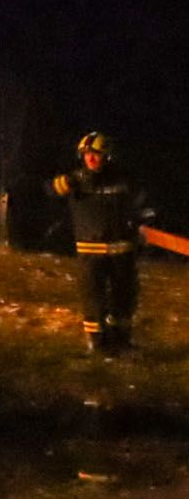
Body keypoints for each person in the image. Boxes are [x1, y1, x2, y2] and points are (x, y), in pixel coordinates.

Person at [53, 132, 149, 356]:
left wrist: (142, 226)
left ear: (107, 156)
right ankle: (98, 344)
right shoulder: (77, 180)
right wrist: (65, 182)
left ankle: (122, 341)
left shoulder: (122, 180)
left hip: (122, 251)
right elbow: (49, 189)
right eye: (87, 155)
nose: (91, 159)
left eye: (96, 155)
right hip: (91, 251)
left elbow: (139, 204)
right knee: (93, 298)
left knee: (123, 298)